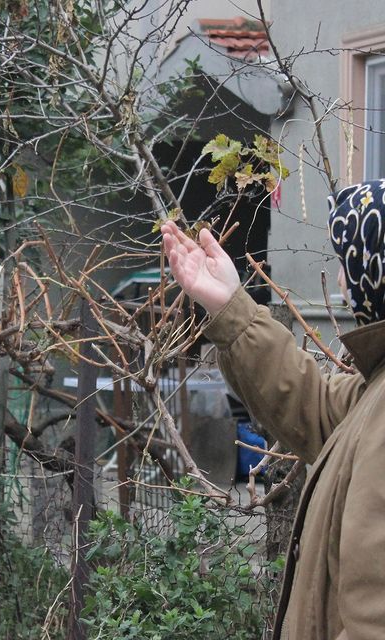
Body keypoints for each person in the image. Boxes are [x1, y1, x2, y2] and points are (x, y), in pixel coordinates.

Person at [161, 180, 385, 640]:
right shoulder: (377, 389)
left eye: (348, 262)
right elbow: (320, 410)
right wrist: (230, 307)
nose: (342, 281)